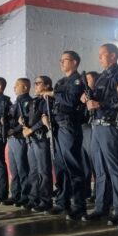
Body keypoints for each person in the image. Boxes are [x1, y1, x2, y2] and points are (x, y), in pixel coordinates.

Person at [83, 44, 118, 222]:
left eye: (103, 54)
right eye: (99, 55)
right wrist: (87, 98)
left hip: (110, 126)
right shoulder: (101, 77)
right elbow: (97, 98)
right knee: (100, 170)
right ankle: (101, 207)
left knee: (115, 169)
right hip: (96, 126)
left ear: (114, 55)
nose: (100, 58)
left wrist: (100, 104)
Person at [45, 51, 87, 220]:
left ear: (75, 62)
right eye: (60, 60)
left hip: (69, 125)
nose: (61, 63)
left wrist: (53, 94)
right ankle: (62, 202)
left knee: (73, 165)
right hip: (57, 125)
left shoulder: (77, 80)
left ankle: (79, 205)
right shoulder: (61, 81)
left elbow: (70, 101)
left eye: (65, 60)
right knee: (60, 166)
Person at [22, 76, 54, 212]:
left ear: (47, 86)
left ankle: (45, 200)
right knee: (33, 171)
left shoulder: (48, 100)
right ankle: (33, 198)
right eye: (34, 83)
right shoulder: (34, 101)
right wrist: (23, 123)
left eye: (38, 83)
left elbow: (45, 118)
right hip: (32, 139)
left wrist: (31, 129)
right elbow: (32, 118)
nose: (35, 86)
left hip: (42, 138)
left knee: (43, 171)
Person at [4, 78, 32, 207]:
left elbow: (24, 121)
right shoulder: (16, 103)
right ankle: (15, 194)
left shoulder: (28, 102)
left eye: (17, 85)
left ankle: (25, 195)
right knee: (14, 169)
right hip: (12, 139)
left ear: (25, 88)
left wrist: (13, 130)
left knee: (22, 169)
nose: (14, 87)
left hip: (20, 138)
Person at [81, 71, 99, 202]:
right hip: (83, 129)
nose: (86, 81)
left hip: (93, 128)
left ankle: (97, 192)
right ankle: (85, 191)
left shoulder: (98, 93)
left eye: (88, 78)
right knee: (84, 164)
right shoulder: (83, 94)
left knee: (95, 164)